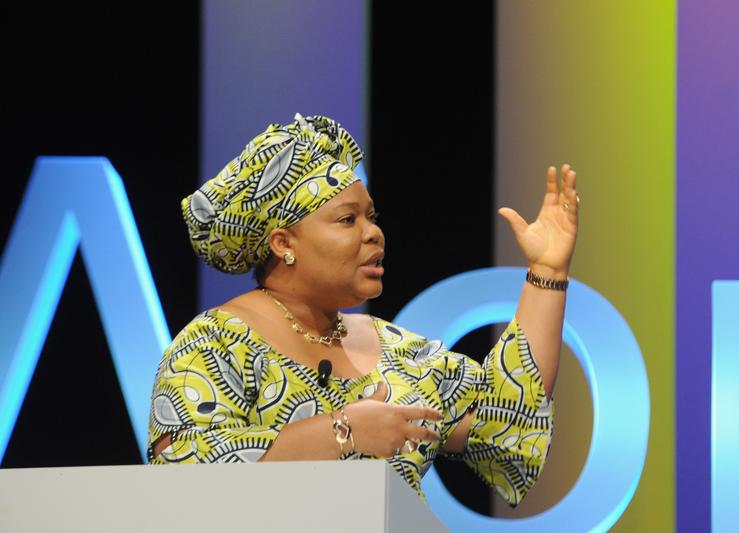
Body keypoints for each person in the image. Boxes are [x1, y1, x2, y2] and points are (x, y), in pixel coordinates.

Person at [147, 114, 579, 508]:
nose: (374, 234)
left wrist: (547, 271)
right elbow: (181, 481)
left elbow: (504, 417)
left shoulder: (398, 352)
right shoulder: (215, 344)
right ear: (283, 243)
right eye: (347, 220)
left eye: (371, 217)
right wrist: (343, 432)